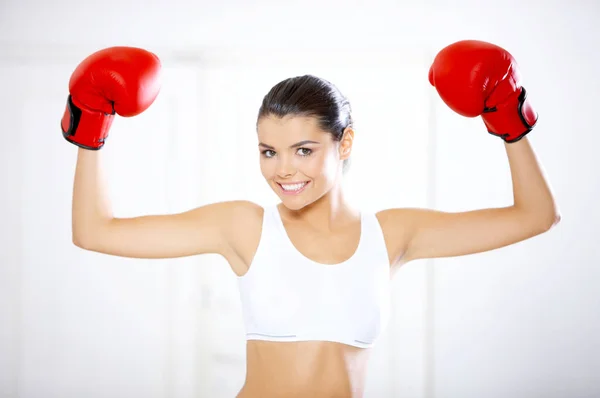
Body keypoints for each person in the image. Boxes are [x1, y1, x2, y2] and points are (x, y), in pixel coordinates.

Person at [62, 41, 560, 398]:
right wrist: (89, 130)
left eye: (303, 150)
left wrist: (509, 121)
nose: (283, 170)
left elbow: (537, 216)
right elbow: (94, 231)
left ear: (343, 144)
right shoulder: (243, 227)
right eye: (268, 151)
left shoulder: (392, 234)